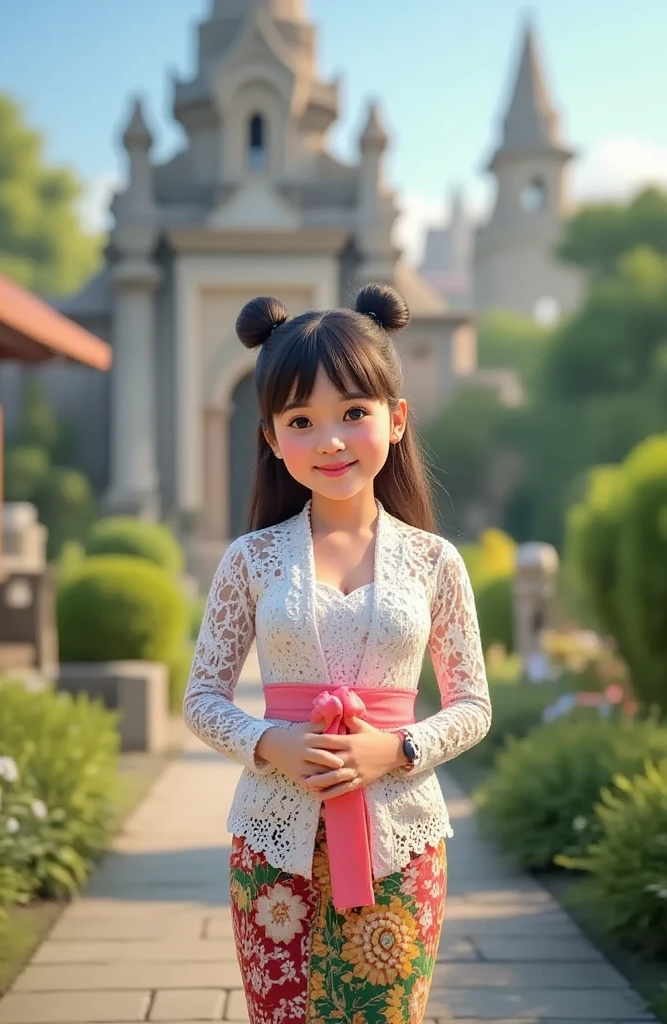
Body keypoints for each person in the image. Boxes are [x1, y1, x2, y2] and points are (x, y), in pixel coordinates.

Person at [183, 282, 492, 1024]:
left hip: (401, 840)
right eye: (301, 420)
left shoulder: (434, 561)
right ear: (271, 437)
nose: (329, 440)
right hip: (272, 841)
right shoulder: (251, 561)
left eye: (354, 413)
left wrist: (398, 749)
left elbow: (474, 703)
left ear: (395, 419)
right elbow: (201, 699)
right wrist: (271, 742)